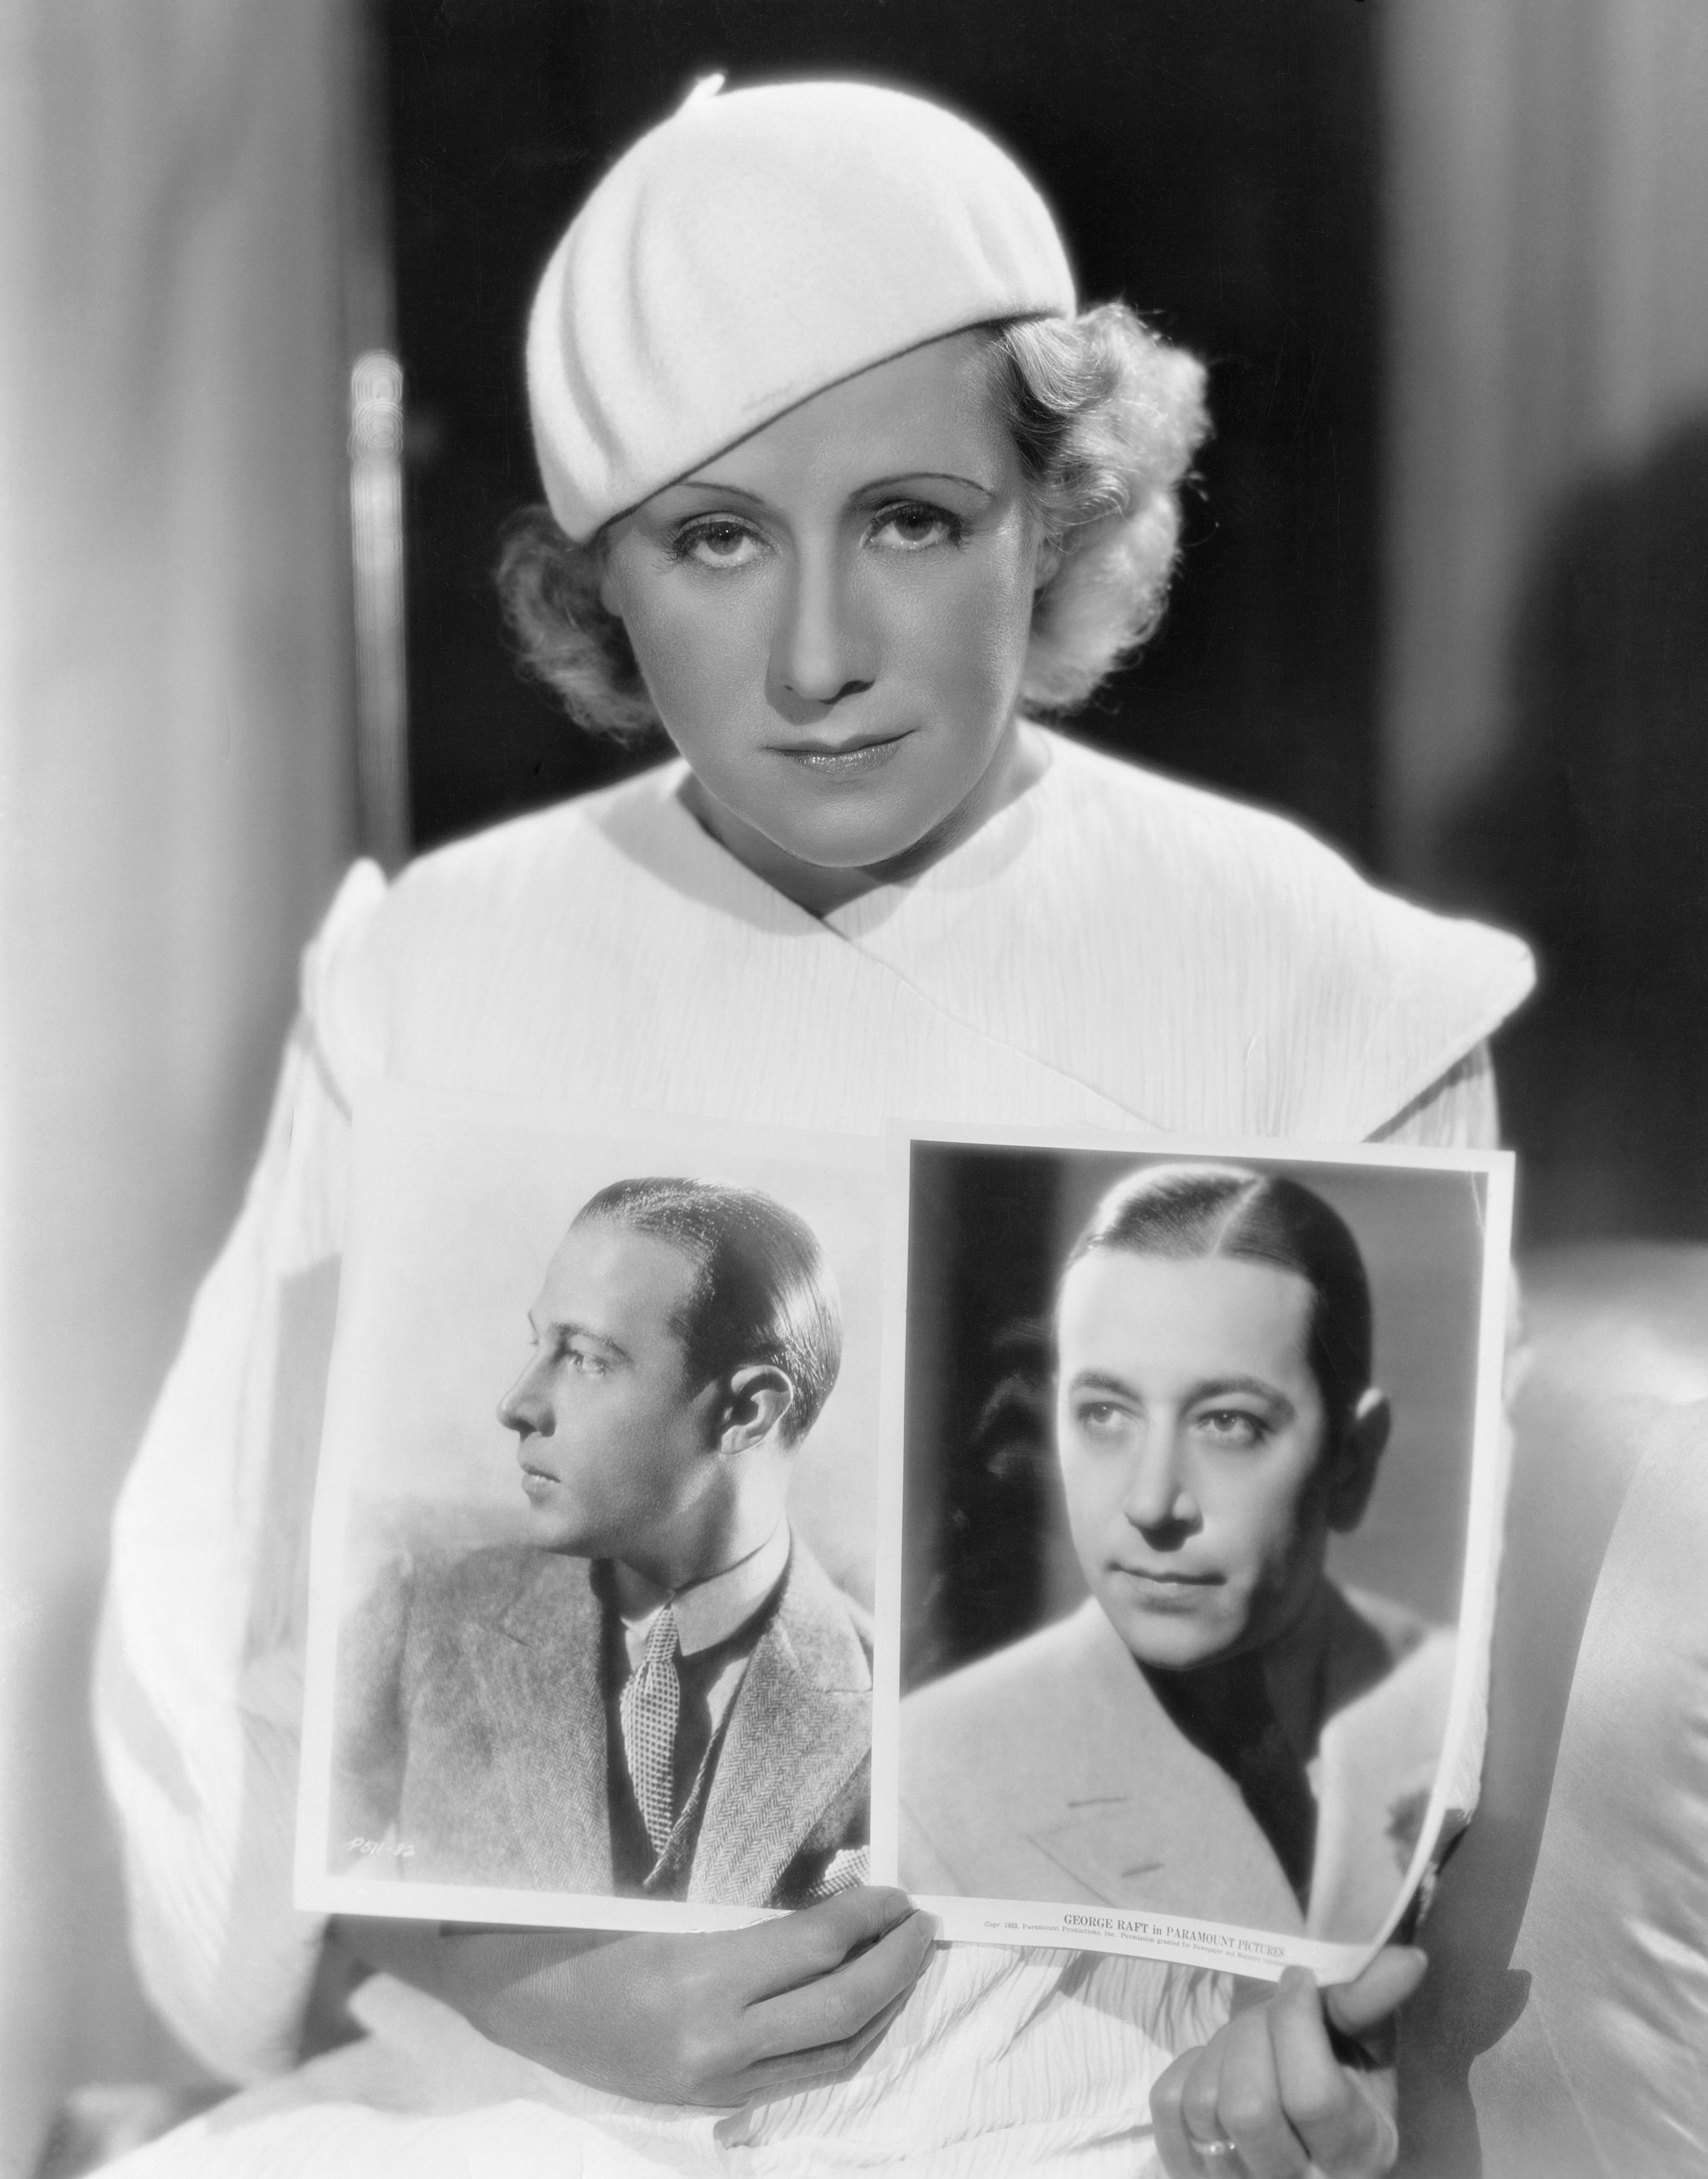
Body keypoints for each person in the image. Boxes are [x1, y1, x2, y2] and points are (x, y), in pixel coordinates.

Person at [95, 75, 1533, 2178]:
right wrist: (523, 1975)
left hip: (1082, 2118)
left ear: (1053, 513)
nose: (821, 657)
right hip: (512, 2105)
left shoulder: (1321, 974)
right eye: (715, 538)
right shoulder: (434, 963)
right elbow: (249, 1636)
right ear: (604, 580)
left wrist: (1303, 2045)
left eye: (913, 522)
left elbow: (1412, 1759)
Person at [901, 1162, 1453, 1949]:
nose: (1152, 1503)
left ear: (1351, 1461)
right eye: (1103, 1413)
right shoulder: (926, 1784)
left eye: (1227, 1423)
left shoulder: (1457, 1712)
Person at [331, 1177, 872, 1909]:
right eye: (539, 1344)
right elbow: (325, 1894)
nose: (516, 1405)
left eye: (586, 1358)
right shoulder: (424, 1616)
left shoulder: (894, 1717)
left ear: (746, 1410)